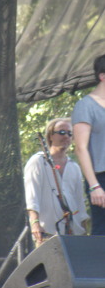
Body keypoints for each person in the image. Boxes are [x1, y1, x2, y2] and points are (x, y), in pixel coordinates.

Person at [24, 118, 89, 247]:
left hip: (72, 234)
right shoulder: (38, 161)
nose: (66, 136)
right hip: (46, 233)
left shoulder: (74, 166)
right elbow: (32, 196)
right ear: (50, 135)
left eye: (70, 134)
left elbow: (79, 202)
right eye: (62, 132)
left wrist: (83, 230)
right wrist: (35, 223)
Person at [72, 54, 105, 235]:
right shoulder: (86, 105)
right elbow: (81, 148)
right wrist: (94, 186)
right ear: (102, 76)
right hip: (101, 177)